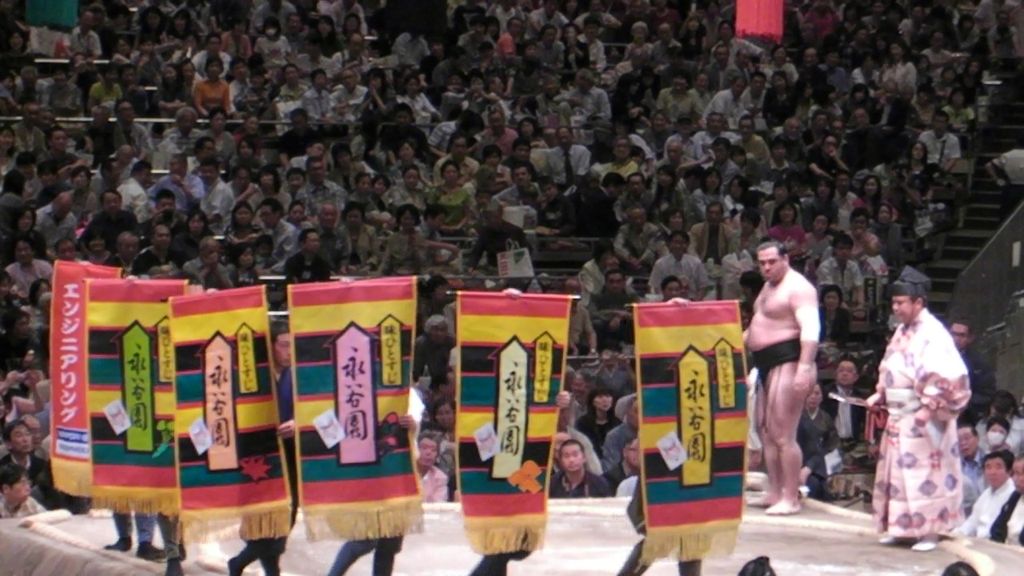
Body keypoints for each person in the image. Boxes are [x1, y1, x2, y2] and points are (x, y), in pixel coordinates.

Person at [870, 266, 971, 552]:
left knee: (926, 475)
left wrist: (929, 406)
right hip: (899, 414)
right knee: (898, 474)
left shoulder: (934, 333)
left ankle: (929, 532)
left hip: (922, 415)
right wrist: (880, 392)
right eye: (893, 302)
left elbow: (949, 373)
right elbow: (890, 364)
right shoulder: (902, 331)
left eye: (900, 303)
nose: (895, 308)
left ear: (918, 302)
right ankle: (901, 528)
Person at [746, 241, 820, 515]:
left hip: (789, 361)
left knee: (782, 434)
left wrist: (804, 367)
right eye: (762, 263)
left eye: (772, 262)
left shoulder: (799, 288)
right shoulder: (768, 287)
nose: (766, 267)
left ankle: (791, 496)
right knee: (765, 432)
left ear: (785, 259)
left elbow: (811, 329)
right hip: (766, 363)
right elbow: (761, 324)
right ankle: (775, 492)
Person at [228, 325, 298, 576]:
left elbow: (315, 407)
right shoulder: (254, 376)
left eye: (292, 345)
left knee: (286, 517)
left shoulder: (298, 374)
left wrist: (298, 423)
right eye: (284, 345)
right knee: (264, 520)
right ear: (270, 346)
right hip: (258, 454)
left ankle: (240, 563)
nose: (289, 351)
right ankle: (246, 564)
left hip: (290, 454)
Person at [955, 450, 1016, 539]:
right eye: (988, 467)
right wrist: (956, 534)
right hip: (979, 540)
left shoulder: (1014, 494)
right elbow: (973, 520)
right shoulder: (986, 493)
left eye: (998, 467)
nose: (992, 472)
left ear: (1009, 471)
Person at [949, 321, 997, 421]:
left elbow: (986, 393)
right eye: (953, 334)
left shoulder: (979, 364)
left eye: (962, 335)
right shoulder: (933, 356)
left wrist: (964, 403)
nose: (956, 338)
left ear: (970, 338)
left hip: (966, 416)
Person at [988, 455, 1024, 545]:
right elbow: (996, 529)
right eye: (1014, 474)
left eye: (1019, 474)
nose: (1014, 479)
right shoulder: (1015, 496)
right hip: (1005, 550)